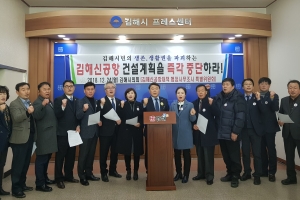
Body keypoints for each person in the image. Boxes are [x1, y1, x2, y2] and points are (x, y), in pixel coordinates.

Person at [213, 78, 246, 188]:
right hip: (222, 132)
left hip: (232, 133)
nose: (224, 86)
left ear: (233, 86)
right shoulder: (219, 97)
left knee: (234, 156)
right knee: (226, 156)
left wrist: (235, 132)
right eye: (223, 84)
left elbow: (240, 117)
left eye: (227, 84)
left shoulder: (238, 98)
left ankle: (236, 176)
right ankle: (230, 173)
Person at [10, 82, 36, 198]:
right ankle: (16, 189)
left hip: (29, 137)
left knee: (25, 163)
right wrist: (27, 112)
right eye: (23, 89)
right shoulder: (14, 104)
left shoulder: (29, 102)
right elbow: (16, 118)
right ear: (17, 92)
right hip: (19, 139)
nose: (27, 91)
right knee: (18, 165)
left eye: (28, 89)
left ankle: (22, 184)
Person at [54, 80, 80, 189]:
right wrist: (63, 106)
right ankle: (59, 179)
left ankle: (69, 176)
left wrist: (78, 125)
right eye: (66, 86)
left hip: (74, 133)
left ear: (74, 88)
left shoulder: (77, 100)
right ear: (63, 88)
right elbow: (57, 115)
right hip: (62, 133)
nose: (69, 88)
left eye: (71, 86)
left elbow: (78, 115)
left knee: (71, 156)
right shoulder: (59, 99)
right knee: (60, 157)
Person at [32, 82, 58, 192]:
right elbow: (37, 116)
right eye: (44, 89)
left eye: (49, 89)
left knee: (46, 159)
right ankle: (39, 183)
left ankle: (45, 178)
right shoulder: (37, 102)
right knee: (41, 160)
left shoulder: (49, 101)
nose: (47, 91)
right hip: (43, 137)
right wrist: (42, 105)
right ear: (39, 91)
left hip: (50, 136)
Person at [192, 84, 218, 185]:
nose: (200, 92)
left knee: (208, 157)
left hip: (208, 134)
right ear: (196, 92)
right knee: (200, 155)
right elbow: (192, 118)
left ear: (206, 92)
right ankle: (201, 174)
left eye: (202, 90)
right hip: (198, 134)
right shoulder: (194, 103)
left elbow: (218, 114)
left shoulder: (211, 102)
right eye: (198, 91)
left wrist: (213, 105)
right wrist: (193, 125)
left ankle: (209, 176)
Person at [240, 78, 265, 185]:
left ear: (253, 86)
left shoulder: (258, 97)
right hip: (243, 130)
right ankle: (247, 172)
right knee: (245, 153)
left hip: (256, 131)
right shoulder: (240, 98)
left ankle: (257, 175)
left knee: (257, 154)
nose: (248, 86)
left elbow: (264, 111)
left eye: (250, 84)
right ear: (242, 87)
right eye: (246, 84)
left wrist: (259, 100)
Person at [76, 82, 101, 186]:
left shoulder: (96, 101)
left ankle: (89, 173)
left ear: (94, 90)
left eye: (92, 89)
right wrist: (83, 110)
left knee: (91, 155)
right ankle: (82, 176)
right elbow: (77, 116)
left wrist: (99, 121)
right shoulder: (80, 101)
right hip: (85, 133)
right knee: (83, 156)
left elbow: (97, 115)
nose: (90, 91)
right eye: (88, 89)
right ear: (84, 91)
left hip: (94, 132)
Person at [116, 88, 143, 181]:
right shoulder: (123, 104)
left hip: (137, 131)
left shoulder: (139, 104)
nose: (130, 95)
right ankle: (128, 171)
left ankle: (136, 172)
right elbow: (119, 117)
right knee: (127, 152)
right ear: (126, 95)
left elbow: (142, 117)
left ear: (135, 95)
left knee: (137, 153)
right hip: (126, 131)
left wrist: (140, 123)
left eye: (132, 93)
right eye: (128, 93)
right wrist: (121, 108)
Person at [170, 87, 196, 183]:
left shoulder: (190, 105)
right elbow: (170, 118)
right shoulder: (172, 105)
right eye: (178, 93)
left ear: (185, 94)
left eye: (182, 93)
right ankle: (178, 173)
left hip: (186, 134)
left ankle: (186, 175)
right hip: (175, 134)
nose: (180, 94)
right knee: (176, 155)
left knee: (186, 156)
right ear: (176, 94)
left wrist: (193, 114)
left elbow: (193, 120)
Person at [142, 82, 169, 172]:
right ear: (149, 91)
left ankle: (161, 167)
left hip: (163, 131)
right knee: (149, 151)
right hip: (150, 131)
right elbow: (141, 115)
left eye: (156, 88)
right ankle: (149, 169)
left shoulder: (164, 100)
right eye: (152, 88)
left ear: (159, 90)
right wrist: (144, 105)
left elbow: (168, 115)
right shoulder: (145, 101)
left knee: (161, 150)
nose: (154, 90)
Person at [99, 81, 122, 182]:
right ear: (105, 90)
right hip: (105, 132)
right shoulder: (101, 101)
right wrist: (102, 105)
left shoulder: (119, 101)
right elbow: (97, 115)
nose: (111, 89)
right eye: (108, 88)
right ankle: (104, 173)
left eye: (113, 87)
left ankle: (113, 170)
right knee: (103, 153)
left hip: (117, 132)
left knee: (115, 153)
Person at [278, 80, 300, 185]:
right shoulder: (284, 100)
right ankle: (291, 178)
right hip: (287, 133)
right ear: (287, 89)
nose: (292, 90)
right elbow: (281, 114)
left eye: (295, 87)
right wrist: (280, 120)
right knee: (289, 157)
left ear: (299, 89)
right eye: (290, 87)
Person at [258, 77, 280, 182]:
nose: (263, 85)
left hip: (270, 128)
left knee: (271, 150)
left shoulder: (274, 95)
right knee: (261, 151)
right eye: (261, 83)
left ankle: (272, 172)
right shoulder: (255, 96)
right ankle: (263, 170)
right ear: (259, 85)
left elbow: (275, 108)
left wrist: (271, 98)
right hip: (258, 128)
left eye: (266, 83)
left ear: (269, 85)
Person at [0, 86, 11, 197]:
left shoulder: (6, 107)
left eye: (4, 93)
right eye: (0, 94)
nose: (3, 96)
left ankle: (0, 188)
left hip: (4, 142)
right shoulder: (2, 109)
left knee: (1, 166)